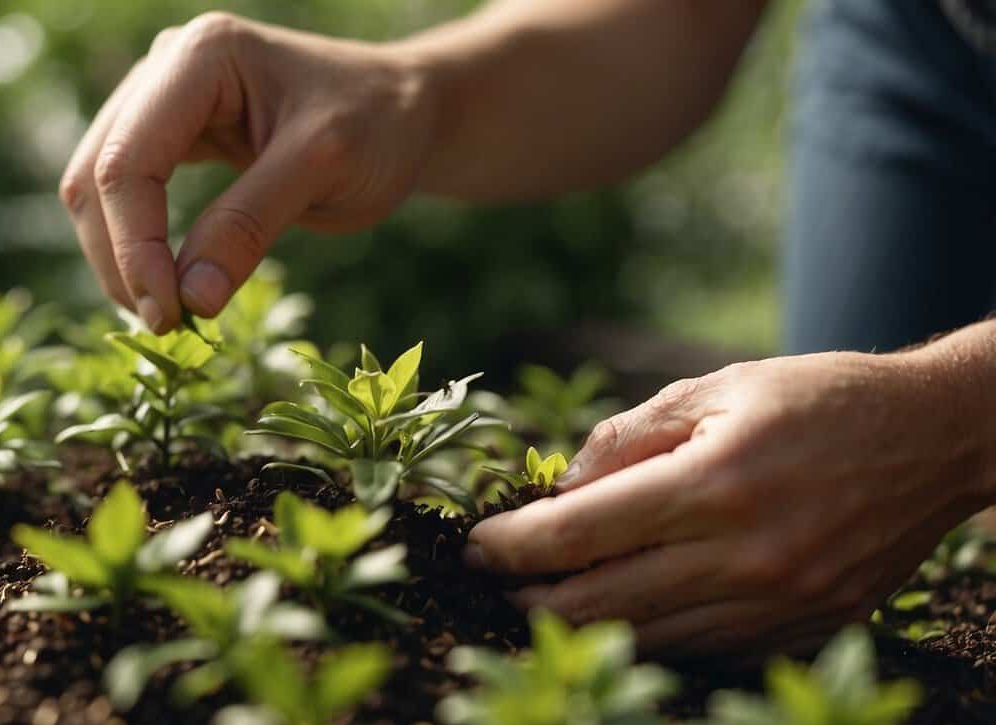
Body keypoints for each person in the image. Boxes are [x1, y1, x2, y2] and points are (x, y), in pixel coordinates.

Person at [58, 0, 996, 657]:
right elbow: (677, 16)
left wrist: (953, 419)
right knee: (812, 560)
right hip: (930, 31)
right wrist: (414, 88)